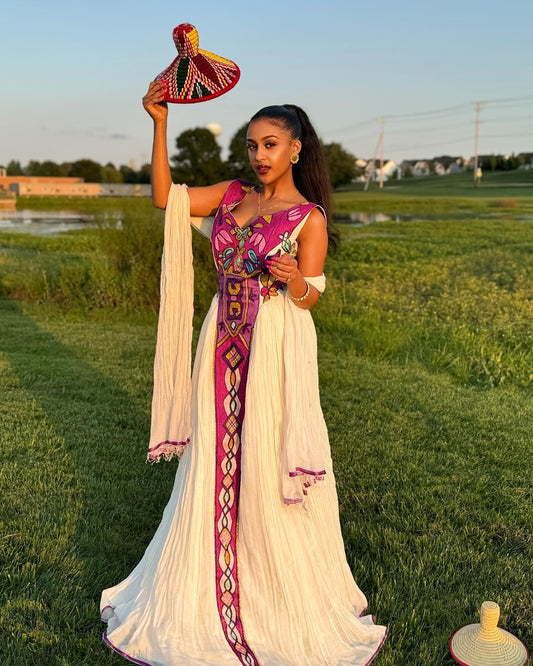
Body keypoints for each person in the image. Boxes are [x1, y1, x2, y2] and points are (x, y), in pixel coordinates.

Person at [100, 80, 387, 666]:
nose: (259, 154)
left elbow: (311, 297)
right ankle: (203, 590)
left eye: (272, 143)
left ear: (297, 149)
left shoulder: (308, 218)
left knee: (260, 458)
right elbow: (164, 199)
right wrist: (159, 123)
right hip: (220, 343)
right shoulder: (231, 196)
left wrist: (293, 280)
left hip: (273, 347)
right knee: (214, 458)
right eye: (252, 143)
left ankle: (271, 591)